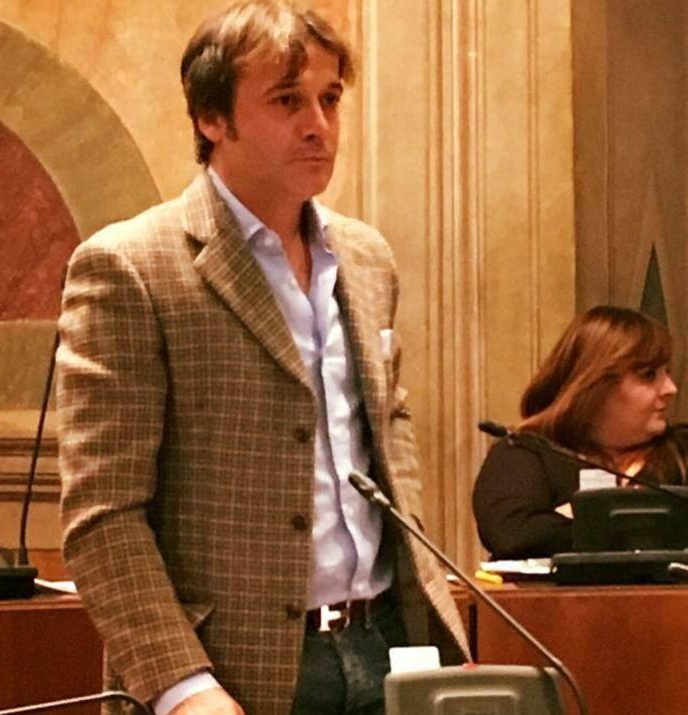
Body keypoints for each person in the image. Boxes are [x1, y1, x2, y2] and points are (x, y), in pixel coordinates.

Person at [56, 2, 468, 715]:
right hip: (230, 670)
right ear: (212, 118)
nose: (319, 125)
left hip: (388, 645)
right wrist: (184, 689)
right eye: (286, 101)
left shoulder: (367, 257)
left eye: (329, 99)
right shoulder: (130, 267)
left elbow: (387, 443)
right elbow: (104, 517)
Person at [473, 305, 688, 560]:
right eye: (649, 375)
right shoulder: (525, 453)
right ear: (596, 384)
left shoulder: (681, 451)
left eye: (667, 373)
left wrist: (579, 519)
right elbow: (514, 535)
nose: (670, 388)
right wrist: (645, 528)